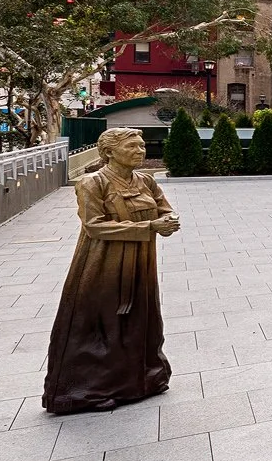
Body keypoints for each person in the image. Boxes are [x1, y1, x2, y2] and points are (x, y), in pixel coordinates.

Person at [43, 128, 178, 414]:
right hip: (104, 263)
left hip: (141, 261)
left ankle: (143, 380)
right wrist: (149, 227)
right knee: (101, 324)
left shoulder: (146, 181)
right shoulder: (93, 183)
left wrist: (168, 221)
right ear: (109, 152)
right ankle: (85, 391)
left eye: (141, 146)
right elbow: (94, 226)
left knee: (141, 319)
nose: (139, 151)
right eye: (131, 146)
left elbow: (164, 210)